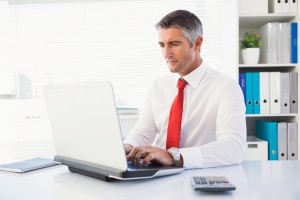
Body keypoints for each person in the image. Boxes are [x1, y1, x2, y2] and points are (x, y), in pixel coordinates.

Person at [124, 10, 246, 169]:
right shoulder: (158, 87)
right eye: (162, 45)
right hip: (156, 175)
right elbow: (142, 133)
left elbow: (234, 148)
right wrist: (127, 147)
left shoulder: (225, 87)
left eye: (174, 44)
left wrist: (174, 157)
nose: (166, 54)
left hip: (198, 175)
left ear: (197, 43)